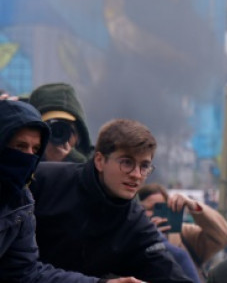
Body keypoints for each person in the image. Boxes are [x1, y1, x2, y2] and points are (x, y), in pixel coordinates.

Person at [30, 118, 193, 283]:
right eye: (127, 162)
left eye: (144, 166)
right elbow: (18, 267)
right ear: (100, 161)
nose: (136, 174)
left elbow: (168, 272)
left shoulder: (135, 222)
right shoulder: (42, 182)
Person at [0, 98, 142, 283]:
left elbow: (25, 272)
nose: (28, 157)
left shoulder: (20, 200)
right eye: (20, 146)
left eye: (35, 150)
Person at [138, 183, 227, 271]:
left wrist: (193, 205)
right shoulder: (131, 237)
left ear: (168, 209)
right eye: (145, 209)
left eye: (158, 208)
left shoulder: (185, 235)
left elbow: (224, 236)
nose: (151, 213)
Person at [26, 82, 94, 163]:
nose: (57, 136)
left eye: (64, 129)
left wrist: (74, 160)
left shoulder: (98, 163)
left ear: (78, 135)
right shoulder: (22, 164)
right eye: (49, 130)